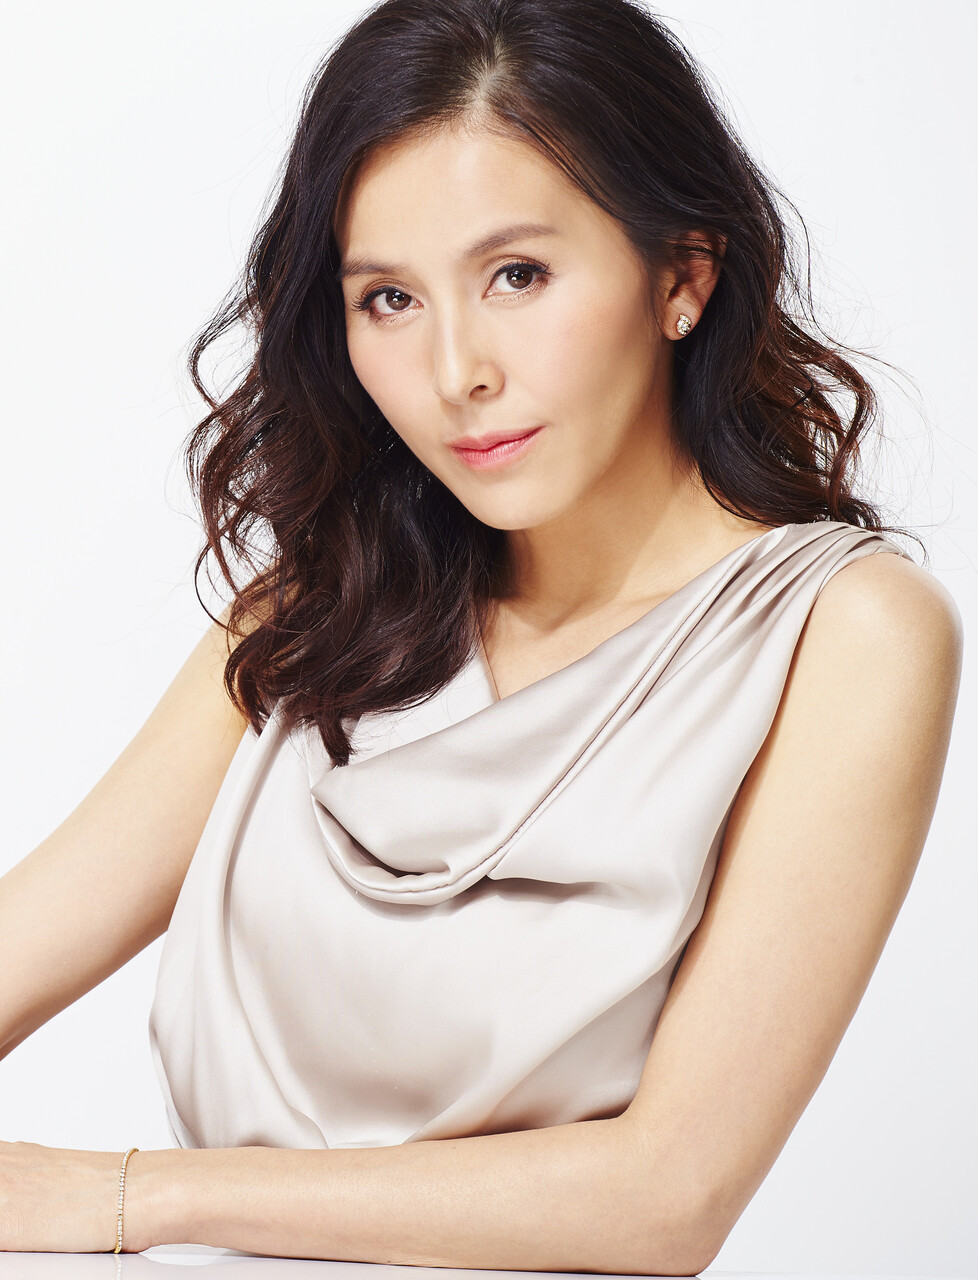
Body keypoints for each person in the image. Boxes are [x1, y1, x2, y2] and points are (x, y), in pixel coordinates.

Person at [0, 0, 963, 1270]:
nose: (457, 371)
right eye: (389, 298)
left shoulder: (844, 633)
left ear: (682, 275)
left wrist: (135, 1194)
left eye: (518, 275)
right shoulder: (317, 618)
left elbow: (666, 1197)